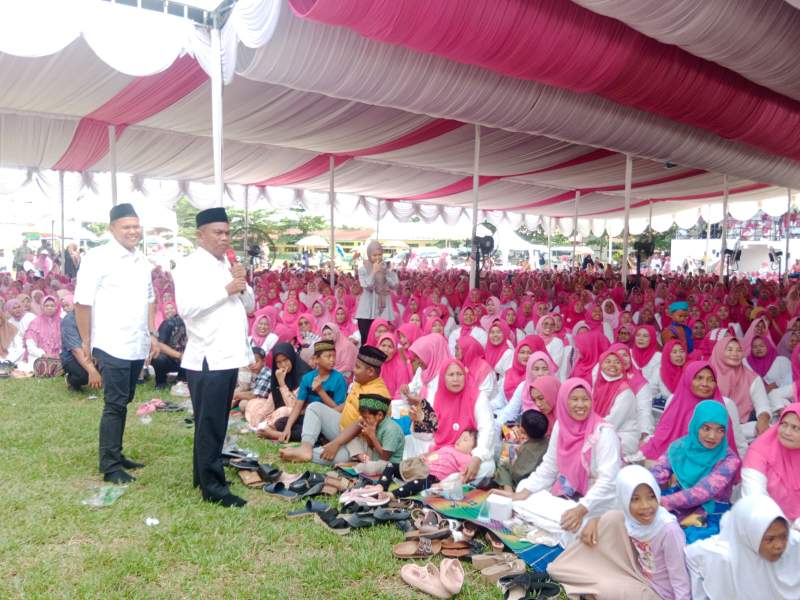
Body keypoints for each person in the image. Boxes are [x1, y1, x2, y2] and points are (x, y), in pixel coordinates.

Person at [173, 207, 254, 508]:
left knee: (217, 419)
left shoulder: (226, 265)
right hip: (208, 355)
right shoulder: (189, 266)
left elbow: (248, 303)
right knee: (210, 422)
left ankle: (204, 474)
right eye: (217, 233)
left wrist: (240, 284)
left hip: (228, 354)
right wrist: (226, 289)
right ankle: (213, 488)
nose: (224, 238)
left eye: (227, 232)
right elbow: (187, 308)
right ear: (200, 235)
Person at [74, 203, 158, 484]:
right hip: (111, 342)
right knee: (114, 403)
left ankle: (116, 453)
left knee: (125, 400)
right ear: (112, 229)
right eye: (126, 227)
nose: (133, 232)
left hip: (136, 342)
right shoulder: (97, 258)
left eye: (136, 226)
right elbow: (82, 303)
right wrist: (87, 341)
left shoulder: (142, 260)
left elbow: (150, 299)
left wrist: (152, 334)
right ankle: (109, 465)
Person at [548, 465, 690, 600]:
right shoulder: (632, 519)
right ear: (625, 499)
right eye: (635, 499)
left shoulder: (669, 531)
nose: (646, 506)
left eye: (651, 497)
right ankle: (574, 573)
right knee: (612, 518)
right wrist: (595, 520)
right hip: (639, 575)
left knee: (605, 589)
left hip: (660, 594)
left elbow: (680, 579)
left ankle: (592, 591)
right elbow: (613, 509)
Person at [500, 378, 622, 535]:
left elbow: (608, 481)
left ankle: (577, 527)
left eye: (585, 399)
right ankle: (565, 527)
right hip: (567, 494)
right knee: (524, 487)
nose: (580, 405)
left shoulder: (604, 433)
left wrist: (581, 509)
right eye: (574, 399)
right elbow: (550, 466)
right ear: (564, 401)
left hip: (596, 501)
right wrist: (522, 494)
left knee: (581, 525)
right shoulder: (561, 425)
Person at [279, 345, 389, 464]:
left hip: (360, 443)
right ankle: (305, 447)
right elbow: (347, 405)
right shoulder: (361, 381)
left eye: (357, 367)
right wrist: (323, 418)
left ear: (371, 371)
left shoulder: (378, 394)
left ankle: (308, 452)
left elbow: (359, 424)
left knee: (330, 456)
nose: (353, 370)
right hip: (342, 428)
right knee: (315, 407)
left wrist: (336, 443)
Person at [651, 400, 741, 542]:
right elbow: (658, 472)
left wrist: (659, 502)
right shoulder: (680, 447)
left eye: (720, 430)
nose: (712, 436)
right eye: (706, 428)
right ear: (696, 426)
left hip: (709, 512)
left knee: (686, 540)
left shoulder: (729, 460)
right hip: (675, 502)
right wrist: (644, 491)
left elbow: (701, 493)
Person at [684, 495, 800, 600]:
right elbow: (692, 556)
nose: (779, 546)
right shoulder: (721, 557)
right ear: (749, 536)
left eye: (784, 536)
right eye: (770, 539)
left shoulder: (794, 545)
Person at [275, 340, 348, 461]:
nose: (332, 360)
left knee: (312, 430)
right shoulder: (308, 378)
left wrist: (320, 392)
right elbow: (298, 406)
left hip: (329, 420)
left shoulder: (339, 378)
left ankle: (281, 436)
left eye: (334, 356)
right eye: (328, 356)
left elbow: (338, 410)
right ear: (316, 359)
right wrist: (288, 427)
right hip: (310, 418)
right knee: (281, 423)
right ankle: (287, 434)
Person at [742, 403, 800, 525]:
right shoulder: (759, 451)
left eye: (796, 428)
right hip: (766, 526)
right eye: (783, 424)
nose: (787, 432)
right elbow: (755, 499)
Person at [383, 429, 477, 498]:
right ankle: (380, 486)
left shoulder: (467, 458)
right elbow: (433, 453)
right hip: (419, 467)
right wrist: (424, 456)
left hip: (432, 476)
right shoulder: (449, 447)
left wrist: (443, 486)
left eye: (465, 439)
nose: (459, 440)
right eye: (460, 437)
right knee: (391, 465)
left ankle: (392, 494)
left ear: (473, 448)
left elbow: (464, 477)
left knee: (418, 483)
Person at [495, 409, 550, 492]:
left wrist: (513, 456)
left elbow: (517, 473)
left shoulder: (526, 448)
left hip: (523, 480)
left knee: (502, 464)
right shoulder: (548, 441)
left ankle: (508, 489)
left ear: (522, 430)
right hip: (538, 478)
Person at [355, 240, 399, 344]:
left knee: (382, 341)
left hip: (383, 311)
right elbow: (367, 286)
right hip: (366, 312)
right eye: (374, 255)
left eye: (380, 254)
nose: (377, 257)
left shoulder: (386, 269)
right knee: (366, 341)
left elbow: (395, 285)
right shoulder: (363, 269)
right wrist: (374, 272)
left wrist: (384, 274)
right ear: (369, 255)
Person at [60, 299, 101, 392]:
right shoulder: (68, 321)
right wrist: (92, 371)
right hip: (73, 357)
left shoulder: (97, 317)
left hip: (94, 352)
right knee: (84, 376)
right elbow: (76, 350)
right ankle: (70, 380)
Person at [150, 302, 186, 389]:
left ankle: (182, 379)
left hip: (187, 360)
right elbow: (159, 345)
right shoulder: (168, 323)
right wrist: (180, 356)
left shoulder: (191, 323)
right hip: (170, 359)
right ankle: (161, 382)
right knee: (159, 358)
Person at [234, 347, 273, 427]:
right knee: (240, 398)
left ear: (263, 361)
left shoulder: (266, 373)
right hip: (260, 400)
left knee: (243, 403)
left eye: (255, 361)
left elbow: (255, 395)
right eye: (250, 362)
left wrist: (236, 395)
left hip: (269, 404)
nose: (252, 364)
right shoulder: (256, 372)